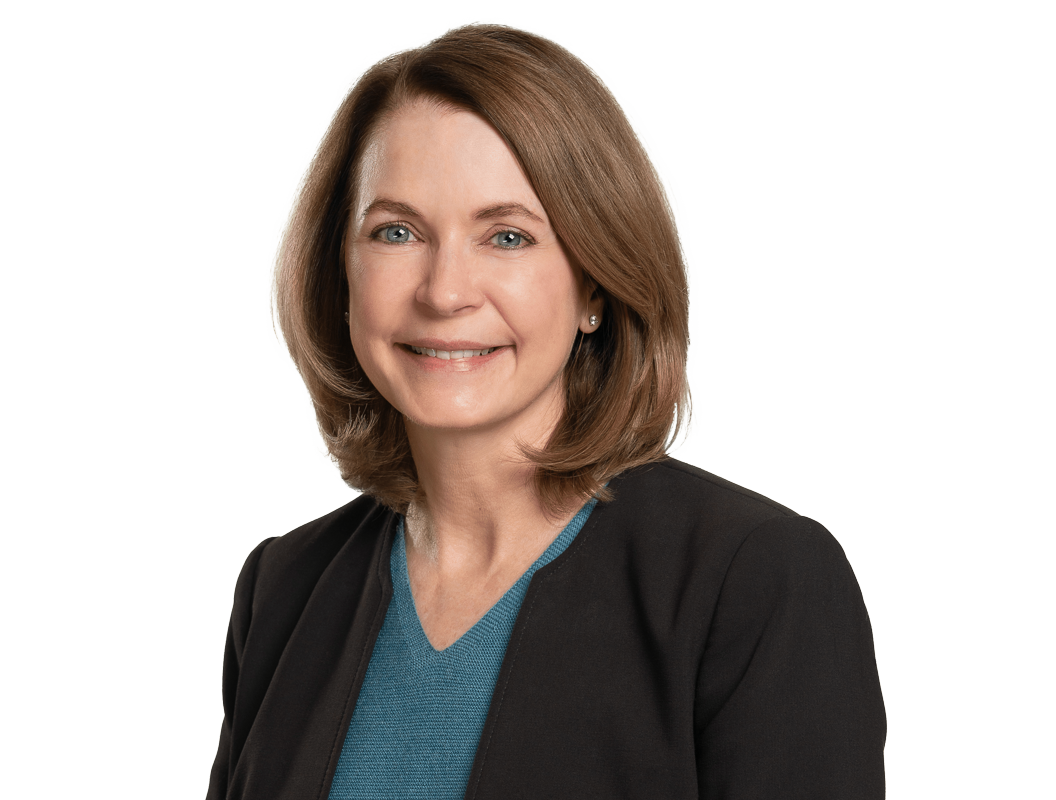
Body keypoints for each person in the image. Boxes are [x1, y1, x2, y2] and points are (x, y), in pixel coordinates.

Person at [206, 21, 886, 800]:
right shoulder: (284, 590)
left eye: (507, 237)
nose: (445, 291)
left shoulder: (754, 579)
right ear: (341, 273)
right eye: (396, 232)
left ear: (595, 283)